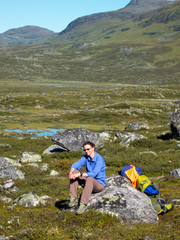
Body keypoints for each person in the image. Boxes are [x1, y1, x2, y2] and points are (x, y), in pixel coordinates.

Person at [68, 141, 106, 214]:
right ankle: (72, 198)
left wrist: (81, 174)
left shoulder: (99, 159)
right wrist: (71, 173)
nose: (86, 151)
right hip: (88, 183)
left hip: (99, 185)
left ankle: (83, 204)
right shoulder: (86, 157)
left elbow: (94, 174)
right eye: (85, 150)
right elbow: (75, 165)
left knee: (90, 178)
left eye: (88, 149)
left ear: (93, 148)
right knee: (75, 172)